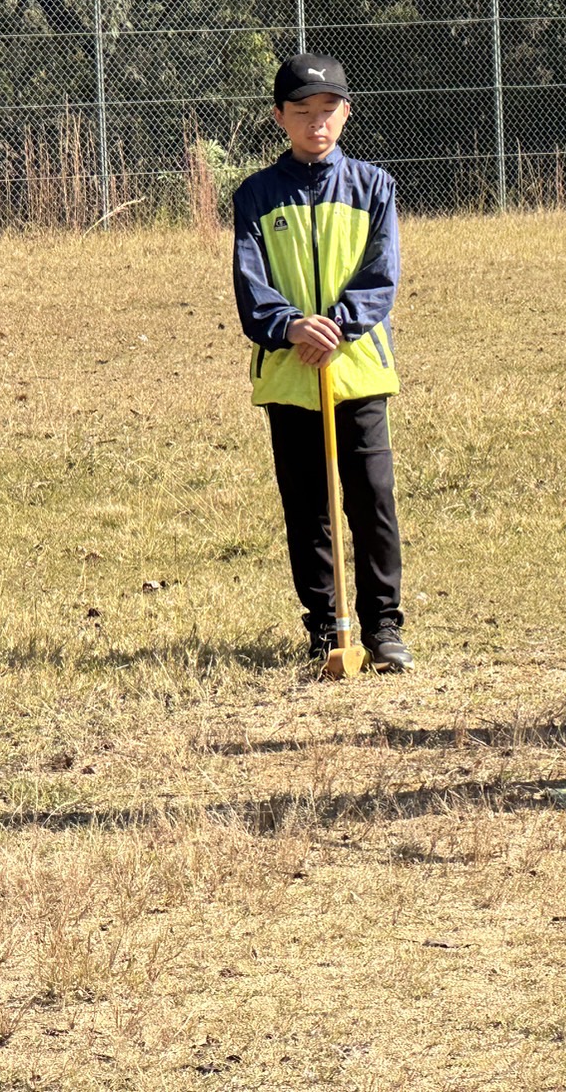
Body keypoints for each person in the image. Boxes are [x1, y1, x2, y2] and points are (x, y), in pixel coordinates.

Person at [232, 54, 413, 673]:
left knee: (371, 500)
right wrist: (290, 327)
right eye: (303, 112)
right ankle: (326, 627)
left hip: (357, 369)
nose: (317, 123)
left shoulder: (374, 186)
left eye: (329, 110)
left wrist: (335, 324)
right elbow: (251, 287)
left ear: (346, 112)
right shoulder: (255, 195)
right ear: (280, 117)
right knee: (307, 505)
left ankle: (383, 627)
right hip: (289, 376)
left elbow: (381, 276)